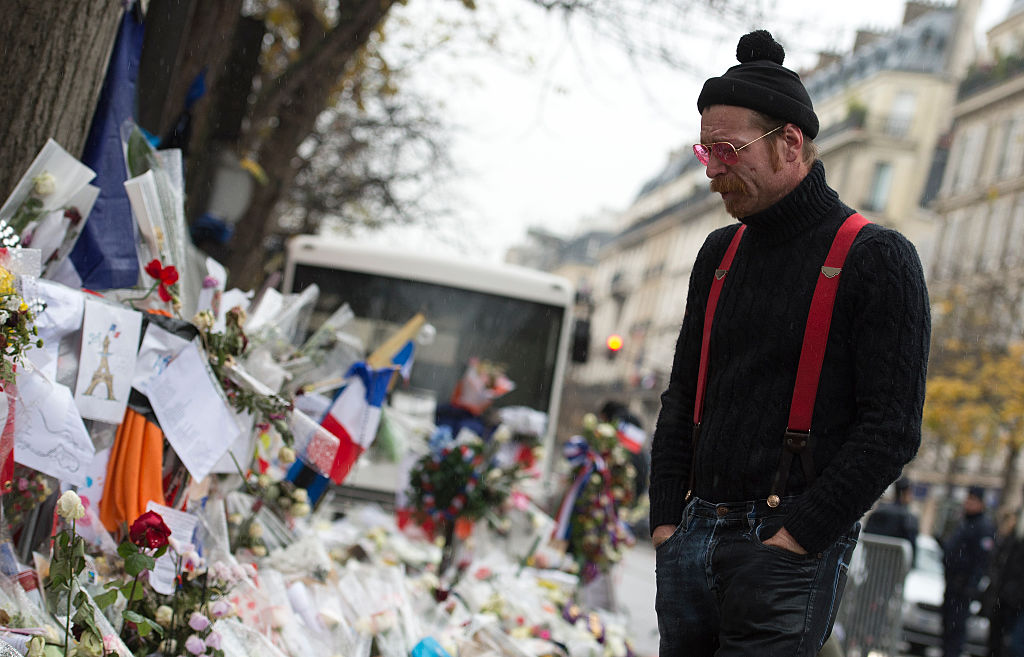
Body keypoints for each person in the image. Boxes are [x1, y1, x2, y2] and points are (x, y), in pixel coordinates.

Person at [648, 30, 931, 657]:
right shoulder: (719, 254)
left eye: (728, 150)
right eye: (705, 151)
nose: (713, 170)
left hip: (782, 550)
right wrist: (667, 521)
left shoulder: (877, 258)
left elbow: (890, 430)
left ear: (790, 144)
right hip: (691, 539)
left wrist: (795, 539)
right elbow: (682, 397)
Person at [942, 486, 996, 657]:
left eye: (972, 499)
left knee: (956, 630)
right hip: (953, 584)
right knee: (948, 627)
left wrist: (971, 585)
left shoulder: (983, 526)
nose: (968, 502)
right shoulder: (965, 522)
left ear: (980, 503)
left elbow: (982, 560)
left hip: (963, 587)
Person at [864, 476, 920, 565]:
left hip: (873, 566)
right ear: (904, 493)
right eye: (910, 493)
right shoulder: (909, 518)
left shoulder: (878, 511)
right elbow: (912, 548)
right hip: (895, 569)